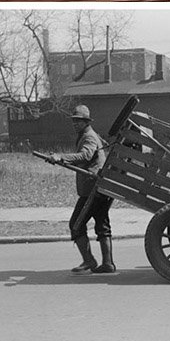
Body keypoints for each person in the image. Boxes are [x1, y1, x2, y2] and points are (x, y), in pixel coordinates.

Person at [52, 105, 116, 274]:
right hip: (100, 188)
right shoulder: (90, 135)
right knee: (102, 224)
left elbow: (85, 155)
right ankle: (107, 263)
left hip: (92, 189)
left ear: (86, 122)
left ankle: (89, 261)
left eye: (78, 121)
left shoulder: (88, 137)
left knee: (76, 225)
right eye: (73, 121)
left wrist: (62, 156)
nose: (75, 124)